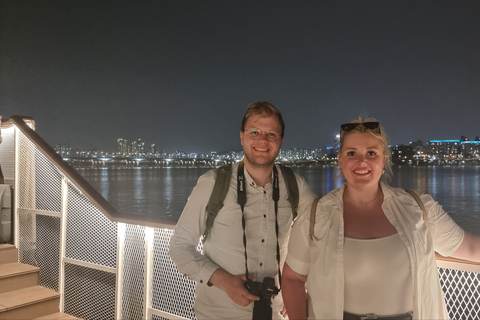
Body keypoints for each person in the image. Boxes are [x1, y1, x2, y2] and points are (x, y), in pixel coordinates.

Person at [282, 118, 480, 320]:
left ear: (383, 160)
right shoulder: (315, 216)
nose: (362, 161)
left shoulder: (419, 209)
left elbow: (471, 247)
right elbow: (292, 277)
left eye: (371, 153)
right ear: (341, 161)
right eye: (352, 153)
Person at [169, 101, 317, 320]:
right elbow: (179, 246)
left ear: (281, 141)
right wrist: (224, 281)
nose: (262, 140)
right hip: (218, 312)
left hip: (276, 312)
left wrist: (302, 287)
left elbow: (322, 229)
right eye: (254, 132)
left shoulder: (295, 185)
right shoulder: (212, 183)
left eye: (271, 134)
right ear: (242, 137)